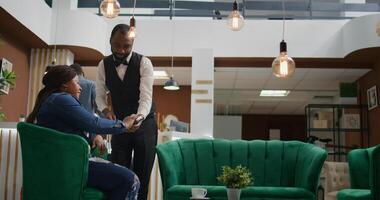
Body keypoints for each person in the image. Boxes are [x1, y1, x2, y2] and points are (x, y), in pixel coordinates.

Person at [26, 65, 140, 200]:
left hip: (64, 163)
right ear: (64, 86)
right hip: (70, 165)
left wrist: (94, 136)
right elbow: (93, 122)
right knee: (130, 180)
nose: (80, 88)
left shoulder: (53, 100)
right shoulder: (61, 99)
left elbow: (81, 125)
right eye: (77, 83)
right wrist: (124, 124)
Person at [96, 24, 157, 200]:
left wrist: (137, 118)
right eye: (117, 45)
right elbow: (99, 96)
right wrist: (106, 111)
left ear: (133, 44)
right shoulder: (103, 64)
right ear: (110, 42)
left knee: (142, 177)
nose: (121, 50)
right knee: (119, 175)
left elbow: (146, 98)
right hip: (119, 125)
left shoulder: (144, 63)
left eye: (126, 46)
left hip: (144, 124)